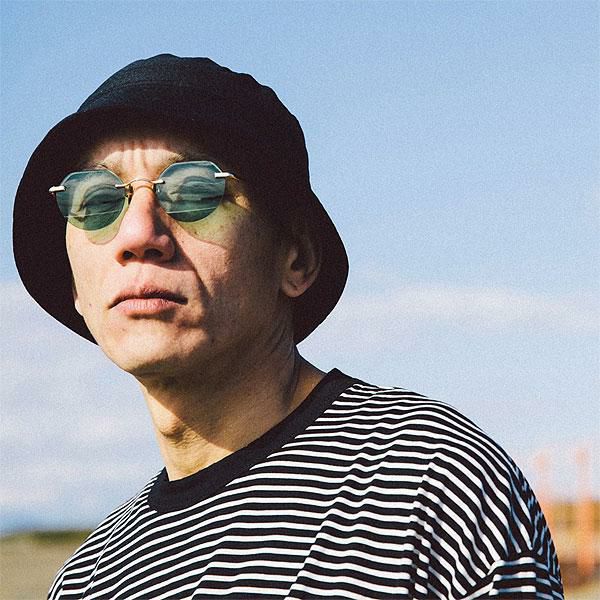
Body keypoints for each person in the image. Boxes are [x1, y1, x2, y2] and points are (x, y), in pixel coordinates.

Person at [13, 54, 563, 599]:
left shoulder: (428, 483)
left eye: (195, 191)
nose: (138, 235)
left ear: (295, 259)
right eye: (95, 201)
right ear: (76, 288)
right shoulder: (90, 577)